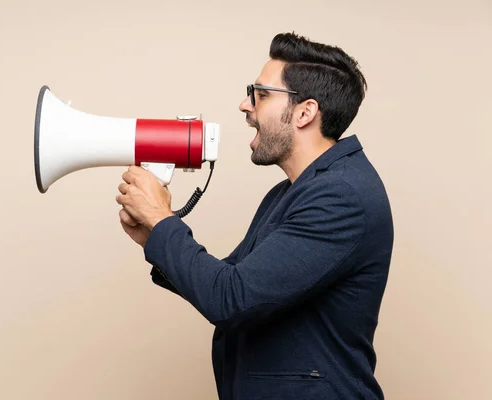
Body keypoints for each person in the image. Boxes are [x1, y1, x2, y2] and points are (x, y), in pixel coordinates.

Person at [115, 31, 394, 400]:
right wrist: (155, 233)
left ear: (304, 111)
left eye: (260, 95)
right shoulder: (292, 192)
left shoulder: (341, 196)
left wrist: (164, 221)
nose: (244, 106)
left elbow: (231, 299)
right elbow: (229, 279)